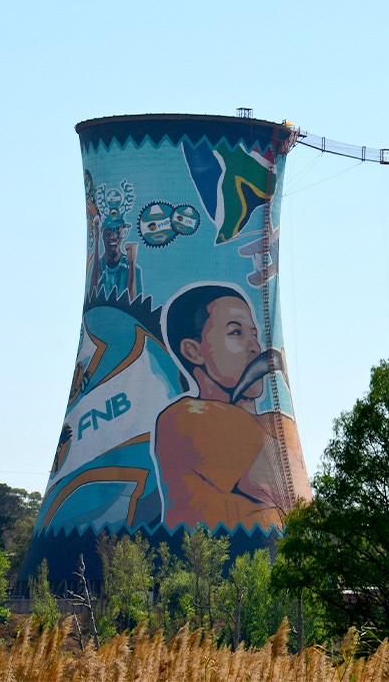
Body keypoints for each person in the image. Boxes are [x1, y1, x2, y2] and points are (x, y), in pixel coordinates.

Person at [154, 284, 304, 531]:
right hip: (210, 564)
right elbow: (291, 497)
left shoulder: (276, 422)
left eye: (254, 334)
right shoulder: (189, 418)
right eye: (236, 333)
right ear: (193, 351)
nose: (255, 346)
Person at [89, 211, 142, 299]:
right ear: (103, 235)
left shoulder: (133, 269)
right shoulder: (98, 268)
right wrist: (96, 238)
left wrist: (132, 263)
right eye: (109, 232)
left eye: (118, 231)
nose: (113, 237)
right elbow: (92, 298)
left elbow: (134, 307)